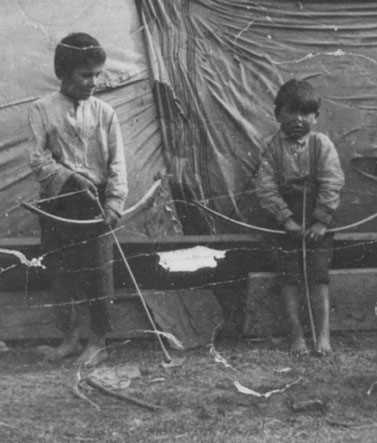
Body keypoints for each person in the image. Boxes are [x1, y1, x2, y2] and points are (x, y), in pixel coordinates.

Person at [29, 32, 128, 366]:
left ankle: (98, 341)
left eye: (97, 75)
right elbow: (38, 160)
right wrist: (70, 177)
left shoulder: (105, 113)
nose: (93, 82)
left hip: (95, 205)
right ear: (64, 72)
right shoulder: (41, 110)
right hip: (58, 204)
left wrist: (114, 202)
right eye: (85, 75)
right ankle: (69, 339)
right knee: (60, 273)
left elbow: (117, 163)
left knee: (98, 274)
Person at [255, 78, 344, 356]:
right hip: (285, 221)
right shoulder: (271, 147)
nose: (297, 119)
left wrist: (320, 220)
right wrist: (286, 220)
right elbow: (266, 187)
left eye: (305, 113)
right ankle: (296, 336)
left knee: (318, 277)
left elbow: (332, 182)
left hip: (319, 218)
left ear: (315, 117)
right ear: (278, 114)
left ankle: (323, 336)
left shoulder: (322, 144)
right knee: (289, 278)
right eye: (290, 112)